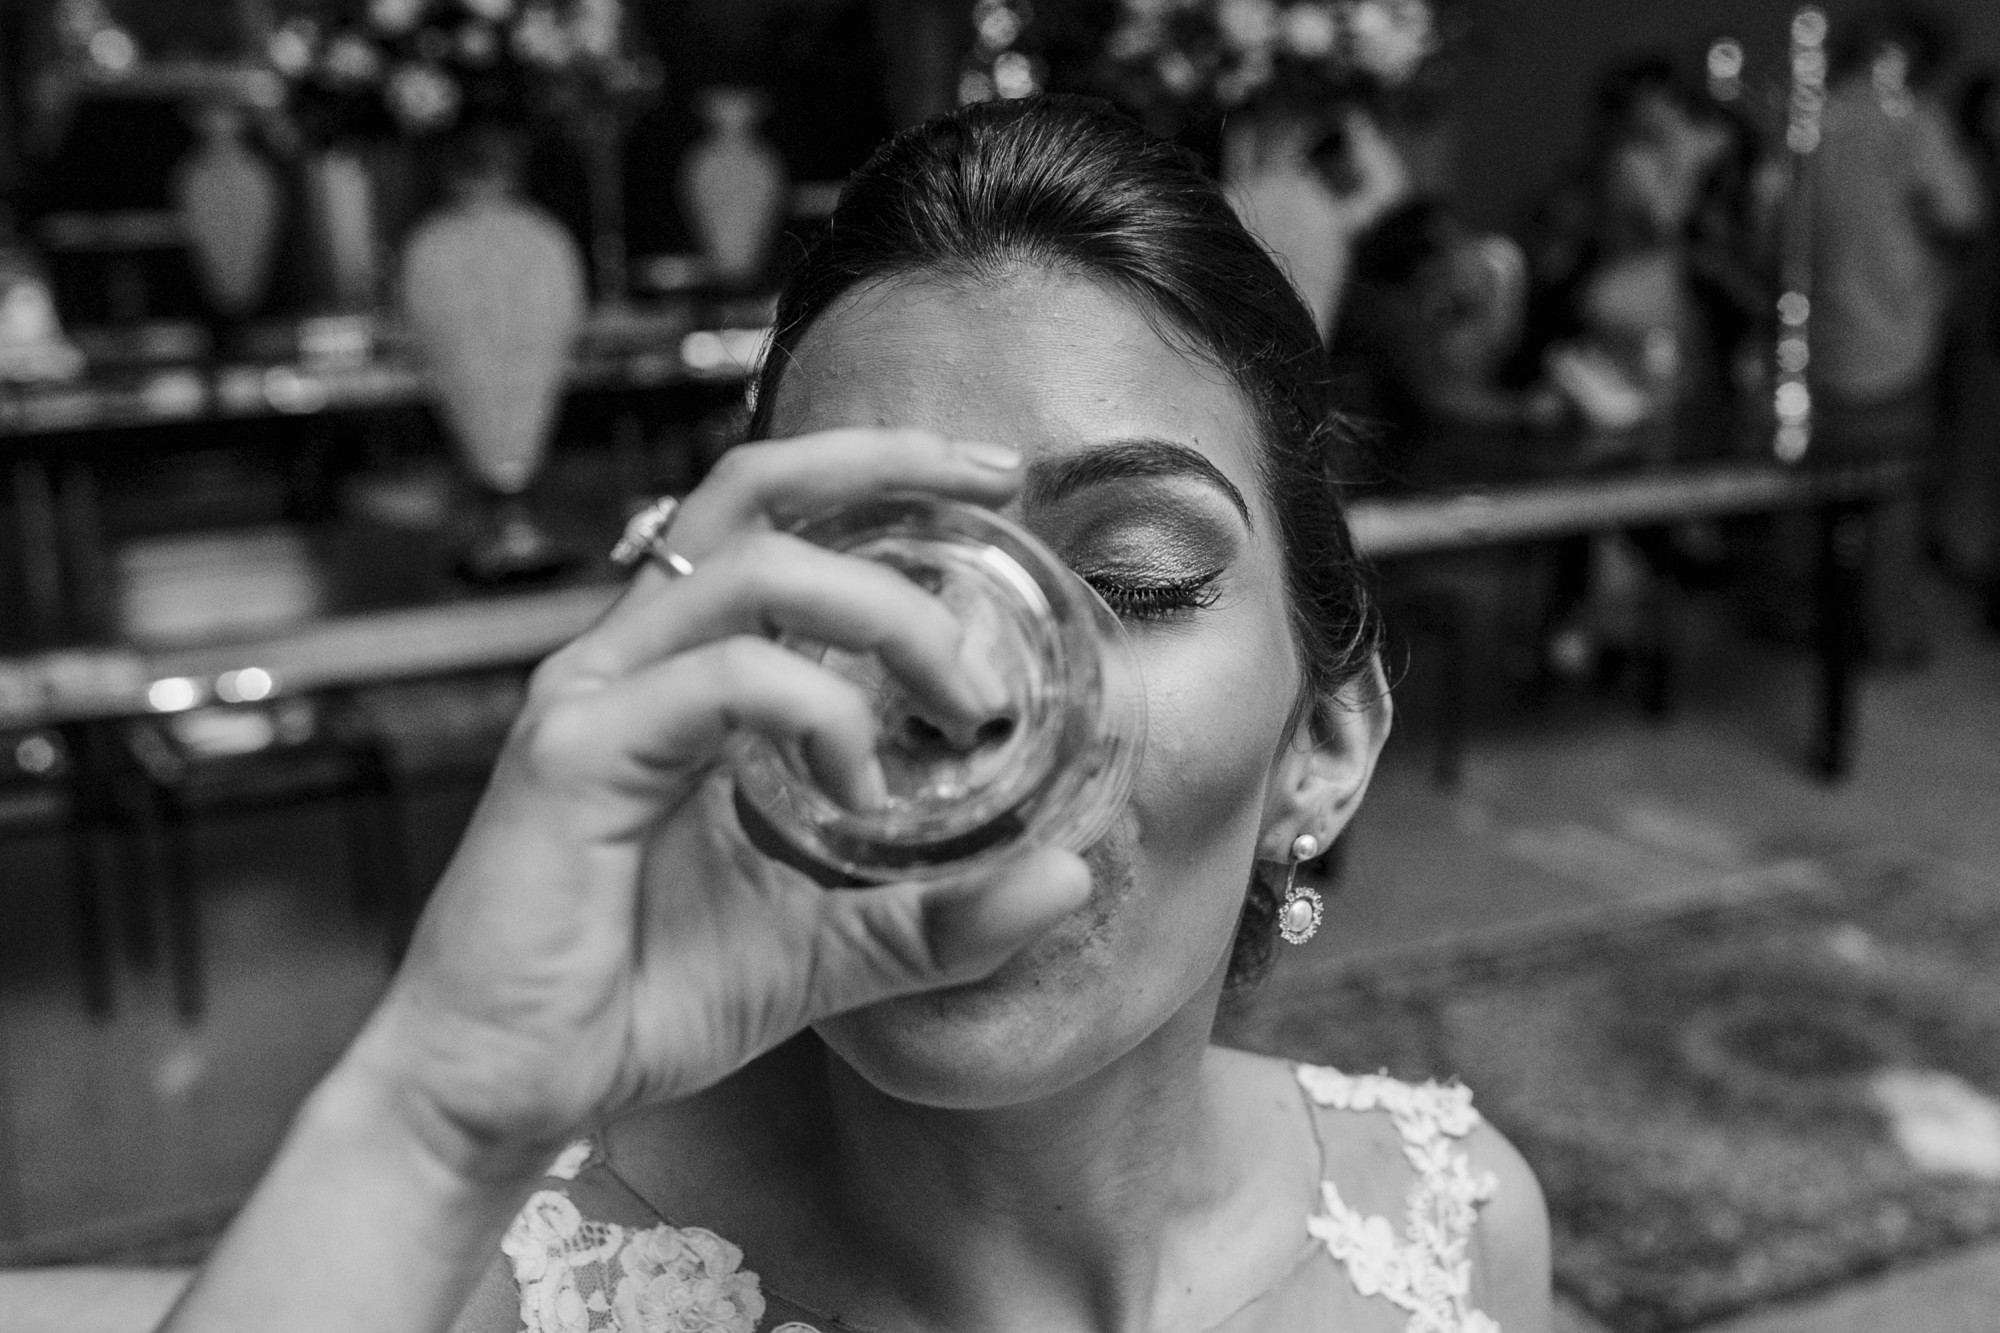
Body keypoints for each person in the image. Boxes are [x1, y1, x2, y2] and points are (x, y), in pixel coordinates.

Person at [158, 96, 1551, 1333]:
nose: (962, 683)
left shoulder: (1458, 1228)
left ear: (1324, 745)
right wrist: (438, 1110)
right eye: (862, 577)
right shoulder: (489, 1287)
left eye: (1132, 580)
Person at [1806, 6, 1985, 663]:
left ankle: (1805, 613)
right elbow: (1961, 213)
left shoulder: (1818, 117)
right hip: (1894, 337)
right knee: (1892, 495)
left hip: (1820, 337)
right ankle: (1883, 631)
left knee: (1815, 489)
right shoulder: (1913, 120)